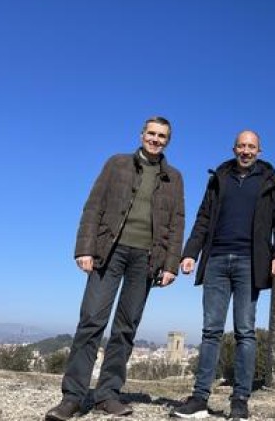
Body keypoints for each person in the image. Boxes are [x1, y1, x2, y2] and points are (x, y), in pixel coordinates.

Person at [45, 117, 185, 421]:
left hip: (147, 259)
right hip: (109, 252)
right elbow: (93, 205)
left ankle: (108, 395)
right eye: (152, 133)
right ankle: (72, 397)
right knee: (92, 320)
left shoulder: (174, 177)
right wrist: (84, 248)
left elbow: (177, 223)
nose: (156, 139)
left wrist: (170, 264)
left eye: (162, 136)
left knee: (126, 328)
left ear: (168, 141)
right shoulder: (117, 164)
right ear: (141, 135)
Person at [171, 130, 275, 421]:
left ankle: (240, 400)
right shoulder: (219, 178)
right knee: (210, 331)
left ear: (259, 151)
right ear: (234, 148)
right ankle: (200, 398)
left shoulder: (272, 181)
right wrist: (190, 253)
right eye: (242, 146)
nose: (246, 151)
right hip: (216, 260)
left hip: (250, 263)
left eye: (252, 147)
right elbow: (203, 217)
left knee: (245, 332)